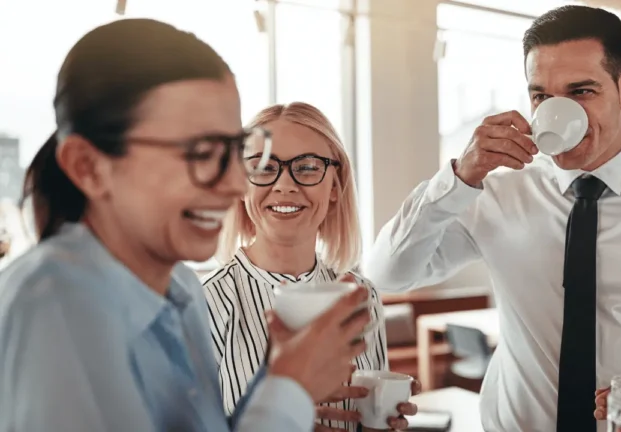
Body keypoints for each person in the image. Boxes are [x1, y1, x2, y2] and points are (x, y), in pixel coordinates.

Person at [364, 5, 621, 432]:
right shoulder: (492, 193)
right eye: (542, 96)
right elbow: (387, 274)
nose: (559, 111)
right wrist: (457, 177)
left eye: (581, 91)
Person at [0, 19, 372, 432]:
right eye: (199, 152)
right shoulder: (52, 308)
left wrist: (275, 380)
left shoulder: (183, 289)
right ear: (89, 167)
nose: (235, 185)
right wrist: (290, 390)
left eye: (234, 149)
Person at [205, 102, 419, 432]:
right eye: (263, 168)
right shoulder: (205, 304)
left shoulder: (363, 297)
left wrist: (385, 422)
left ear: (335, 187)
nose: (285, 185)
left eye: (306, 167)